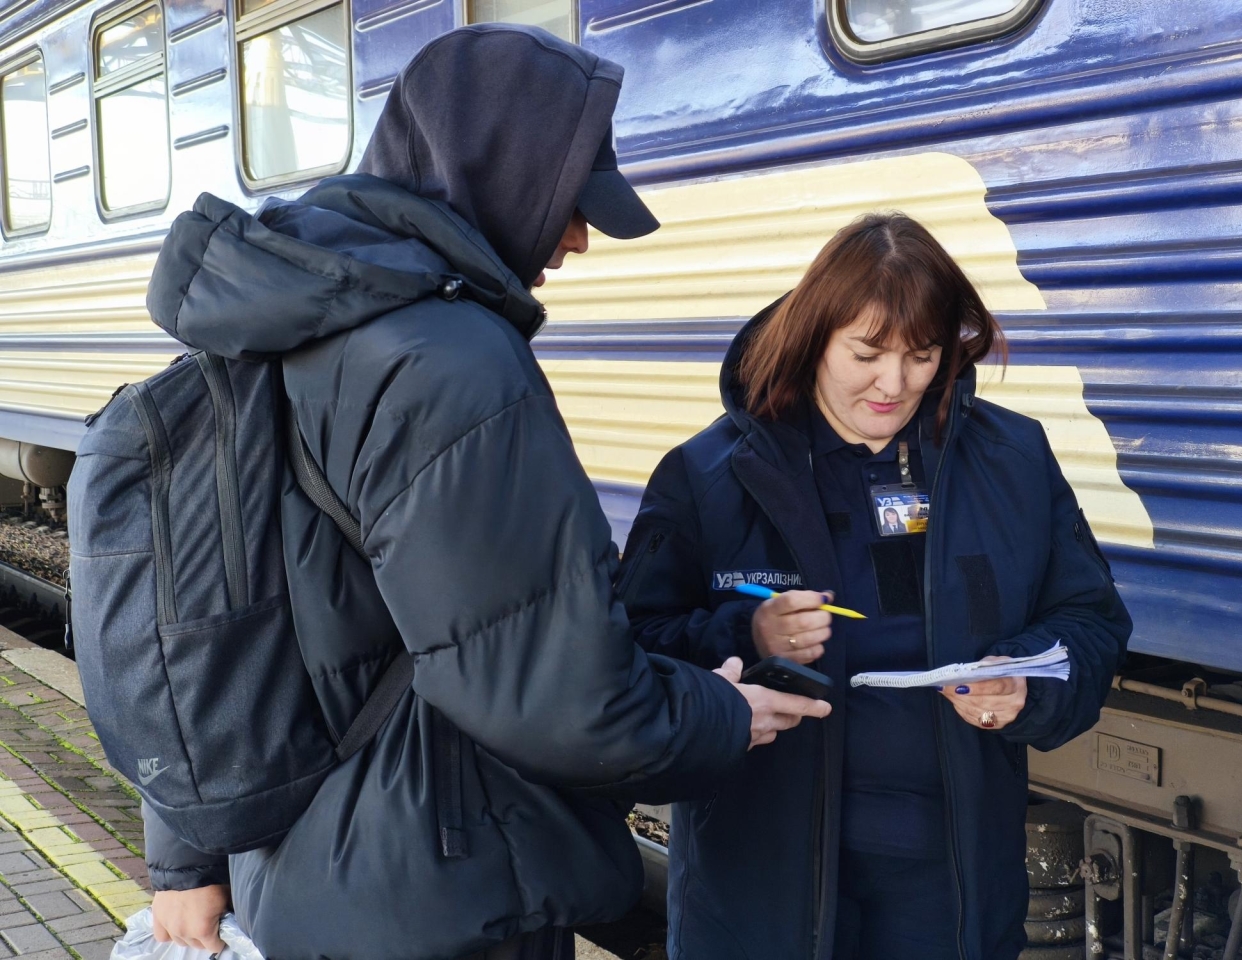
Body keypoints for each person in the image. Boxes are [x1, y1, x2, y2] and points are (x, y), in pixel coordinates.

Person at [141, 25, 830, 960]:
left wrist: (185, 851)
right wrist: (719, 714)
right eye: (569, 203)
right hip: (444, 878)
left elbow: (196, 611)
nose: (579, 240)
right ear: (497, 171)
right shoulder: (450, 362)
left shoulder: (283, 318)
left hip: (309, 866)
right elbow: (546, 690)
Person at [616, 213, 1131, 960]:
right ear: (814, 336)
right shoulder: (708, 475)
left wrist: (1025, 681)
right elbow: (631, 649)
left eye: (922, 356)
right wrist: (744, 635)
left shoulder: (1013, 457)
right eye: (866, 354)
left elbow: (1089, 620)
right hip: (762, 889)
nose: (894, 385)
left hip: (949, 889)